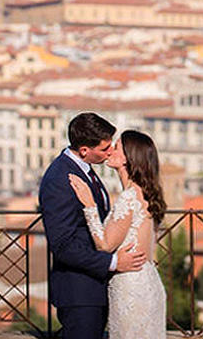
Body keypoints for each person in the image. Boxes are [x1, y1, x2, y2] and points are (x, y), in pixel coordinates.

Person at [39, 113, 147, 339]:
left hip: (95, 290)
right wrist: (114, 262)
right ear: (85, 150)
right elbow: (63, 245)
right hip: (79, 293)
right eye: (106, 148)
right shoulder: (60, 179)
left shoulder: (85, 172)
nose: (111, 152)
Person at [69, 128, 167, 339]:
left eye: (118, 146)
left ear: (128, 158)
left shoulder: (129, 198)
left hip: (130, 287)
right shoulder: (147, 194)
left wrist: (89, 205)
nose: (110, 149)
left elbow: (105, 245)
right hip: (149, 282)